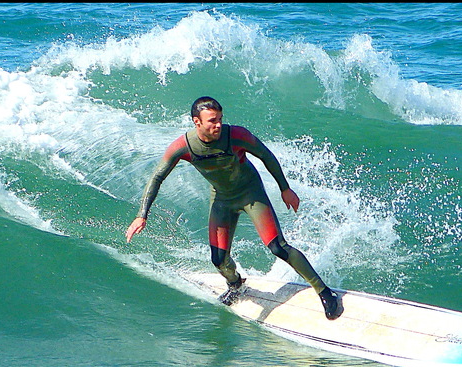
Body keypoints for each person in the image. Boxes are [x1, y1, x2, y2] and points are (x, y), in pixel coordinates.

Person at [125, 96, 343, 320]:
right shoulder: (184, 147)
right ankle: (236, 284)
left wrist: (284, 188)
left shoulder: (236, 135)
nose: (218, 124)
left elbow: (266, 155)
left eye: (220, 118)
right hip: (222, 199)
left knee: (278, 247)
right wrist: (142, 215)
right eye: (211, 121)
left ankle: (326, 292)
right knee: (219, 259)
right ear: (196, 122)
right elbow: (157, 177)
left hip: (250, 193)